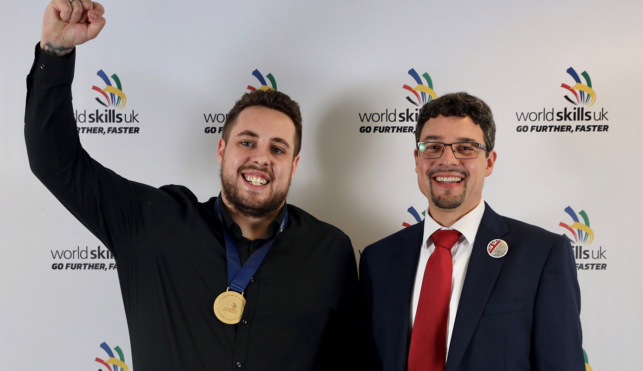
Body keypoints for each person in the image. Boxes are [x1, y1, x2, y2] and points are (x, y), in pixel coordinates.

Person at [25, 1, 358, 370]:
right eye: (247, 142)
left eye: (277, 148)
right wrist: (55, 53)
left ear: (294, 165)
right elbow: (56, 163)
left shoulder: (330, 251)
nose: (261, 158)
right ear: (222, 149)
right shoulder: (152, 224)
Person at [359, 92, 584, 371]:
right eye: (433, 147)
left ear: (489, 162)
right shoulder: (378, 258)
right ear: (417, 159)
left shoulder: (542, 255)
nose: (447, 160)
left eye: (465, 148)